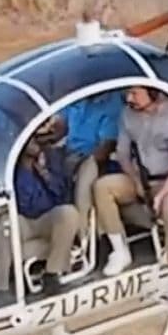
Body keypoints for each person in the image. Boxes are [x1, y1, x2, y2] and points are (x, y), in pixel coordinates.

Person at [92, 86, 168, 301]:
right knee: (102, 187)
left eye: (135, 93)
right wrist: (135, 180)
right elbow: (123, 154)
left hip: (167, 181)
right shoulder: (127, 115)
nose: (129, 98)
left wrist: (161, 195)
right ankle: (120, 251)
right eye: (127, 93)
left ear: (152, 93)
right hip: (140, 177)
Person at [43, 91, 124, 237]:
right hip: (67, 152)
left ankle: (83, 234)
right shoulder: (78, 94)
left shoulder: (112, 103)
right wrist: (43, 137)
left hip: (92, 157)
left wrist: (76, 163)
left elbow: (106, 147)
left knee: (86, 170)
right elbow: (61, 127)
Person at [12, 136, 80, 295]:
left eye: (36, 139)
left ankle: (52, 273)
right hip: (25, 222)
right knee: (5, 231)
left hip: (48, 219)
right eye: (31, 141)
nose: (36, 144)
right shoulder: (13, 172)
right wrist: (26, 170)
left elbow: (63, 195)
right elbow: (24, 206)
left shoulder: (51, 158)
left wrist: (44, 174)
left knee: (68, 213)